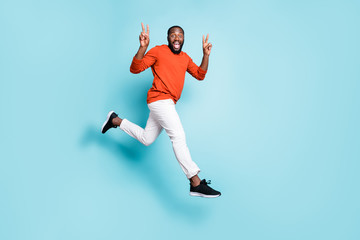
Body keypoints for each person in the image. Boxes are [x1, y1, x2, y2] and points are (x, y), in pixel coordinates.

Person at [101, 23, 221, 198]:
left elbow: (200, 75)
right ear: (168, 38)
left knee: (147, 139)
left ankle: (115, 120)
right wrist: (142, 48)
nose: (177, 38)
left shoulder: (185, 58)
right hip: (160, 100)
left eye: (180, 35)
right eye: (173, 35)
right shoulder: (158, 51)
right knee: (178, 136)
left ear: (184, 39)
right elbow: (135, 68)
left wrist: (205, 55)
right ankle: (195, 182)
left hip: (167, 104)